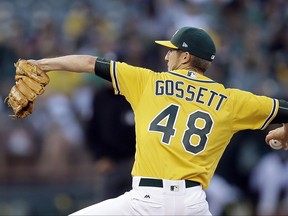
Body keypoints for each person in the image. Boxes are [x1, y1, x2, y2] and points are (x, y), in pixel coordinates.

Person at [26, 26, 288, 215]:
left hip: (145, 201)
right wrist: (284, 130)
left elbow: (87, 62)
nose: (166, 56)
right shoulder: (231, 100)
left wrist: (41, 63)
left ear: (185, 57)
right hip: (192, 204)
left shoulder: (149, 81)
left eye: (171, 51)